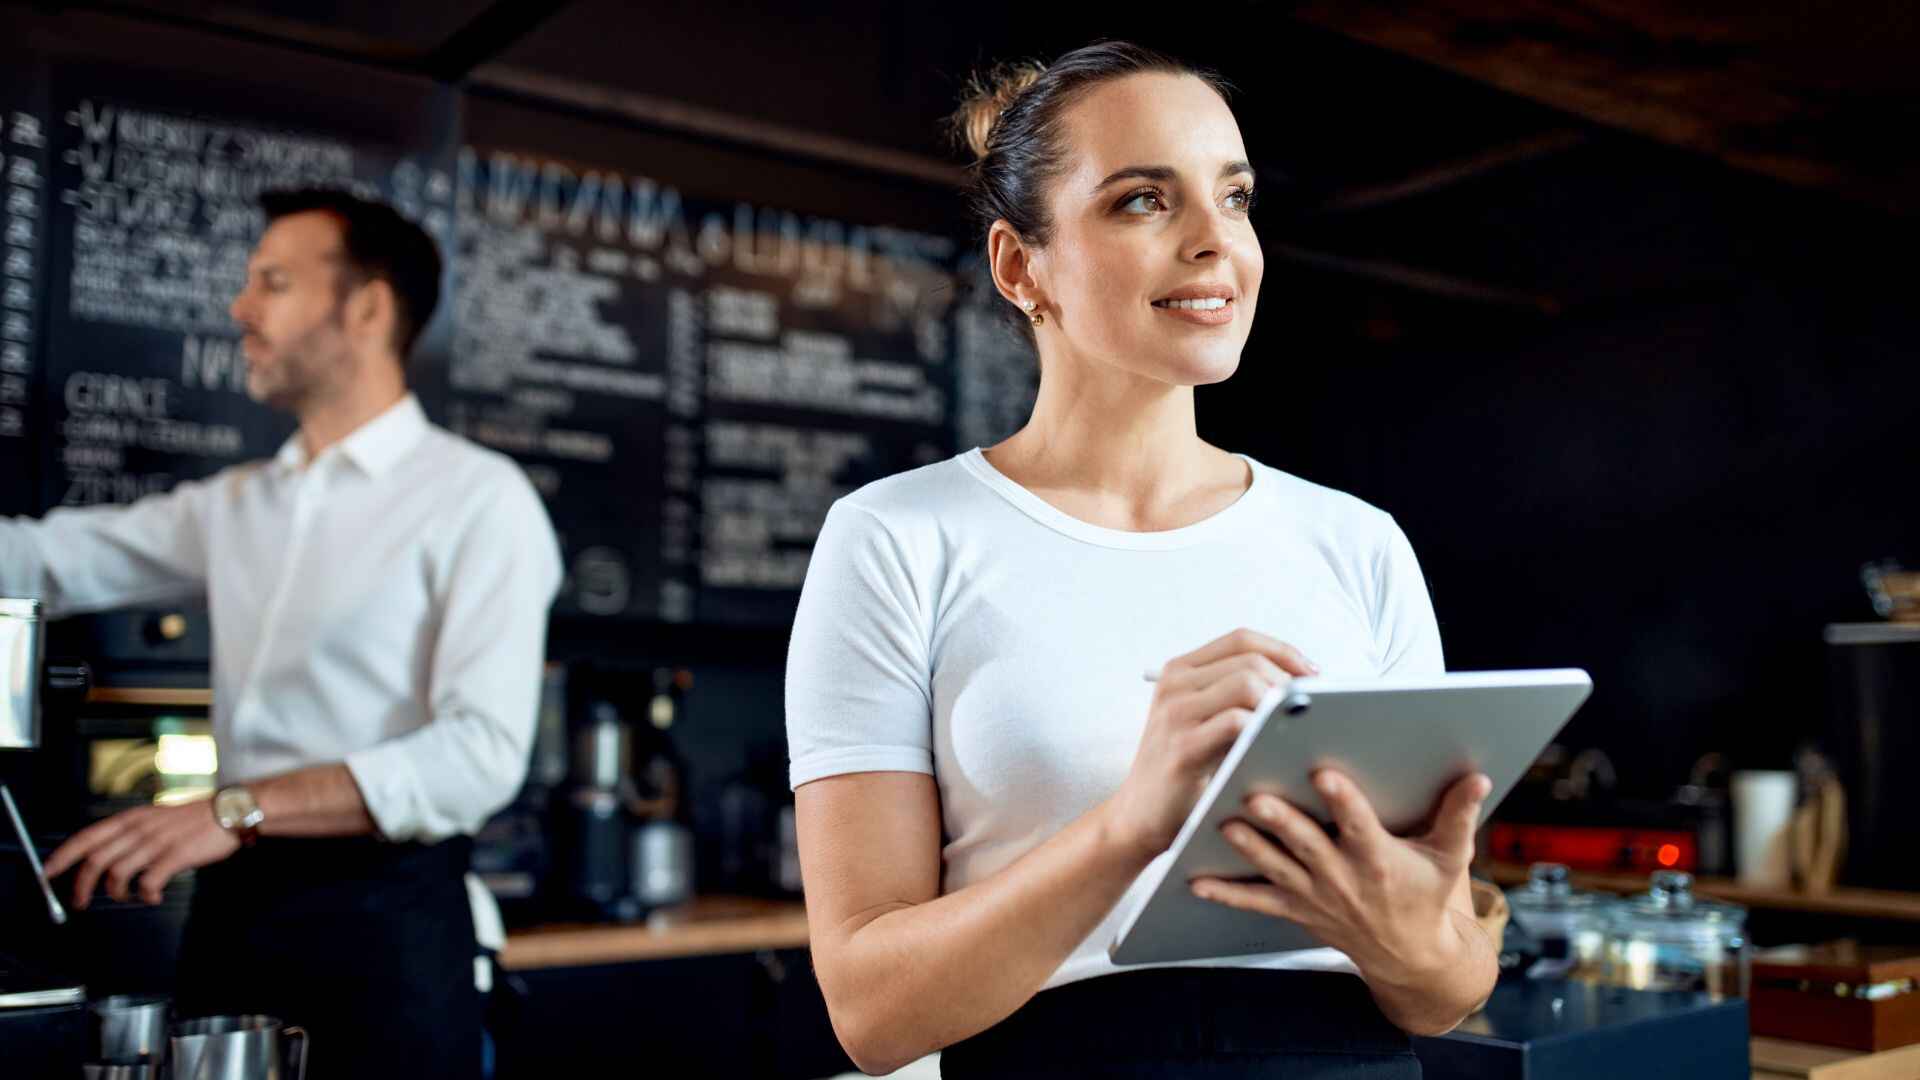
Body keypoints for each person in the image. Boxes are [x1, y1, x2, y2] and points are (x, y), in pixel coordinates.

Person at [785, 42, 1497, 1079]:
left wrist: (1416, 941)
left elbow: (1447, 993)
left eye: (1237, 197)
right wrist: (1132, 823)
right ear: (1021, 267)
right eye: (1143, 203)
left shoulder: (1357, 542)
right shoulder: (896, 539)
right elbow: (871, 1012)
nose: (1219, 244)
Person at [4, 188, 562, 1079]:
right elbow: (43, 560)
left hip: (387, 932)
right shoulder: (240, 503)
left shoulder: (480, 500)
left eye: (273, 282)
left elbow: (481, 755)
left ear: (367, 308)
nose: (240, 309)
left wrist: (237, 809)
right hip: (232, 916)